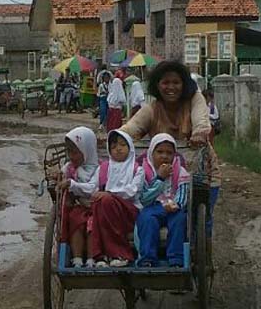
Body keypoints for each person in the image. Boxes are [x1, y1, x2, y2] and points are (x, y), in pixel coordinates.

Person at [120, 60, 221, 239]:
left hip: (199, 171)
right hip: (164, 175)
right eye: (165, 82)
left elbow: (202, 122)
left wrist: (198, 134)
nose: (171, 87)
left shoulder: (195, 99)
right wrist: (115, 137)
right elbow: (131, 129)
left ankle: (203, 260)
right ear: (157, 85)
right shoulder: (152, 109)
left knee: (200, 218)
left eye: (176, 82)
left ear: (184, 84)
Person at [89, 130, 144, 267]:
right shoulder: (104, 168)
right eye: (113, 147)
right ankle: (101, 256)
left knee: (105, 200)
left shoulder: (137, 169)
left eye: (122, 145)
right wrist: (72, 184)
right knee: (99, 202)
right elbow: (91, 186)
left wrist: (109, 193)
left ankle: (120, 253)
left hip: (130, 213)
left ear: (130, 147)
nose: (118, 149)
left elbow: (131, 191)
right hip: (108, 209)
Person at [136, 134, 190, 267]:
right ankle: (148, 257)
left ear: (174, 155)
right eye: (159, 152)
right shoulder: (144, 171)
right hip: (152, 207)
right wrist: (159, 178)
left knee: (179, 220)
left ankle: (176, 259)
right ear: (151, 153)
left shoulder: (180, 171)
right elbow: (144, 198)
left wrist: (176, 205)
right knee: (147, 219)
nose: (164, 156)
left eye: (169, 153)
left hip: (173, 207)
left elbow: (183, 192)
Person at [58, 127, 99, 268]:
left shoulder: (98, 169)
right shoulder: (69, 167)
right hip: (78, 206)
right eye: (69, 152)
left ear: (87, 151)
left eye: (75, 152)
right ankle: (76, 258)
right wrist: (56, 176)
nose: (71, 156)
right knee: (75, 220)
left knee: (92, 225)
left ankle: (91, 258)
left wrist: (72, 184)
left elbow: (92, 189)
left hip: (95, 207)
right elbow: (60, 173)